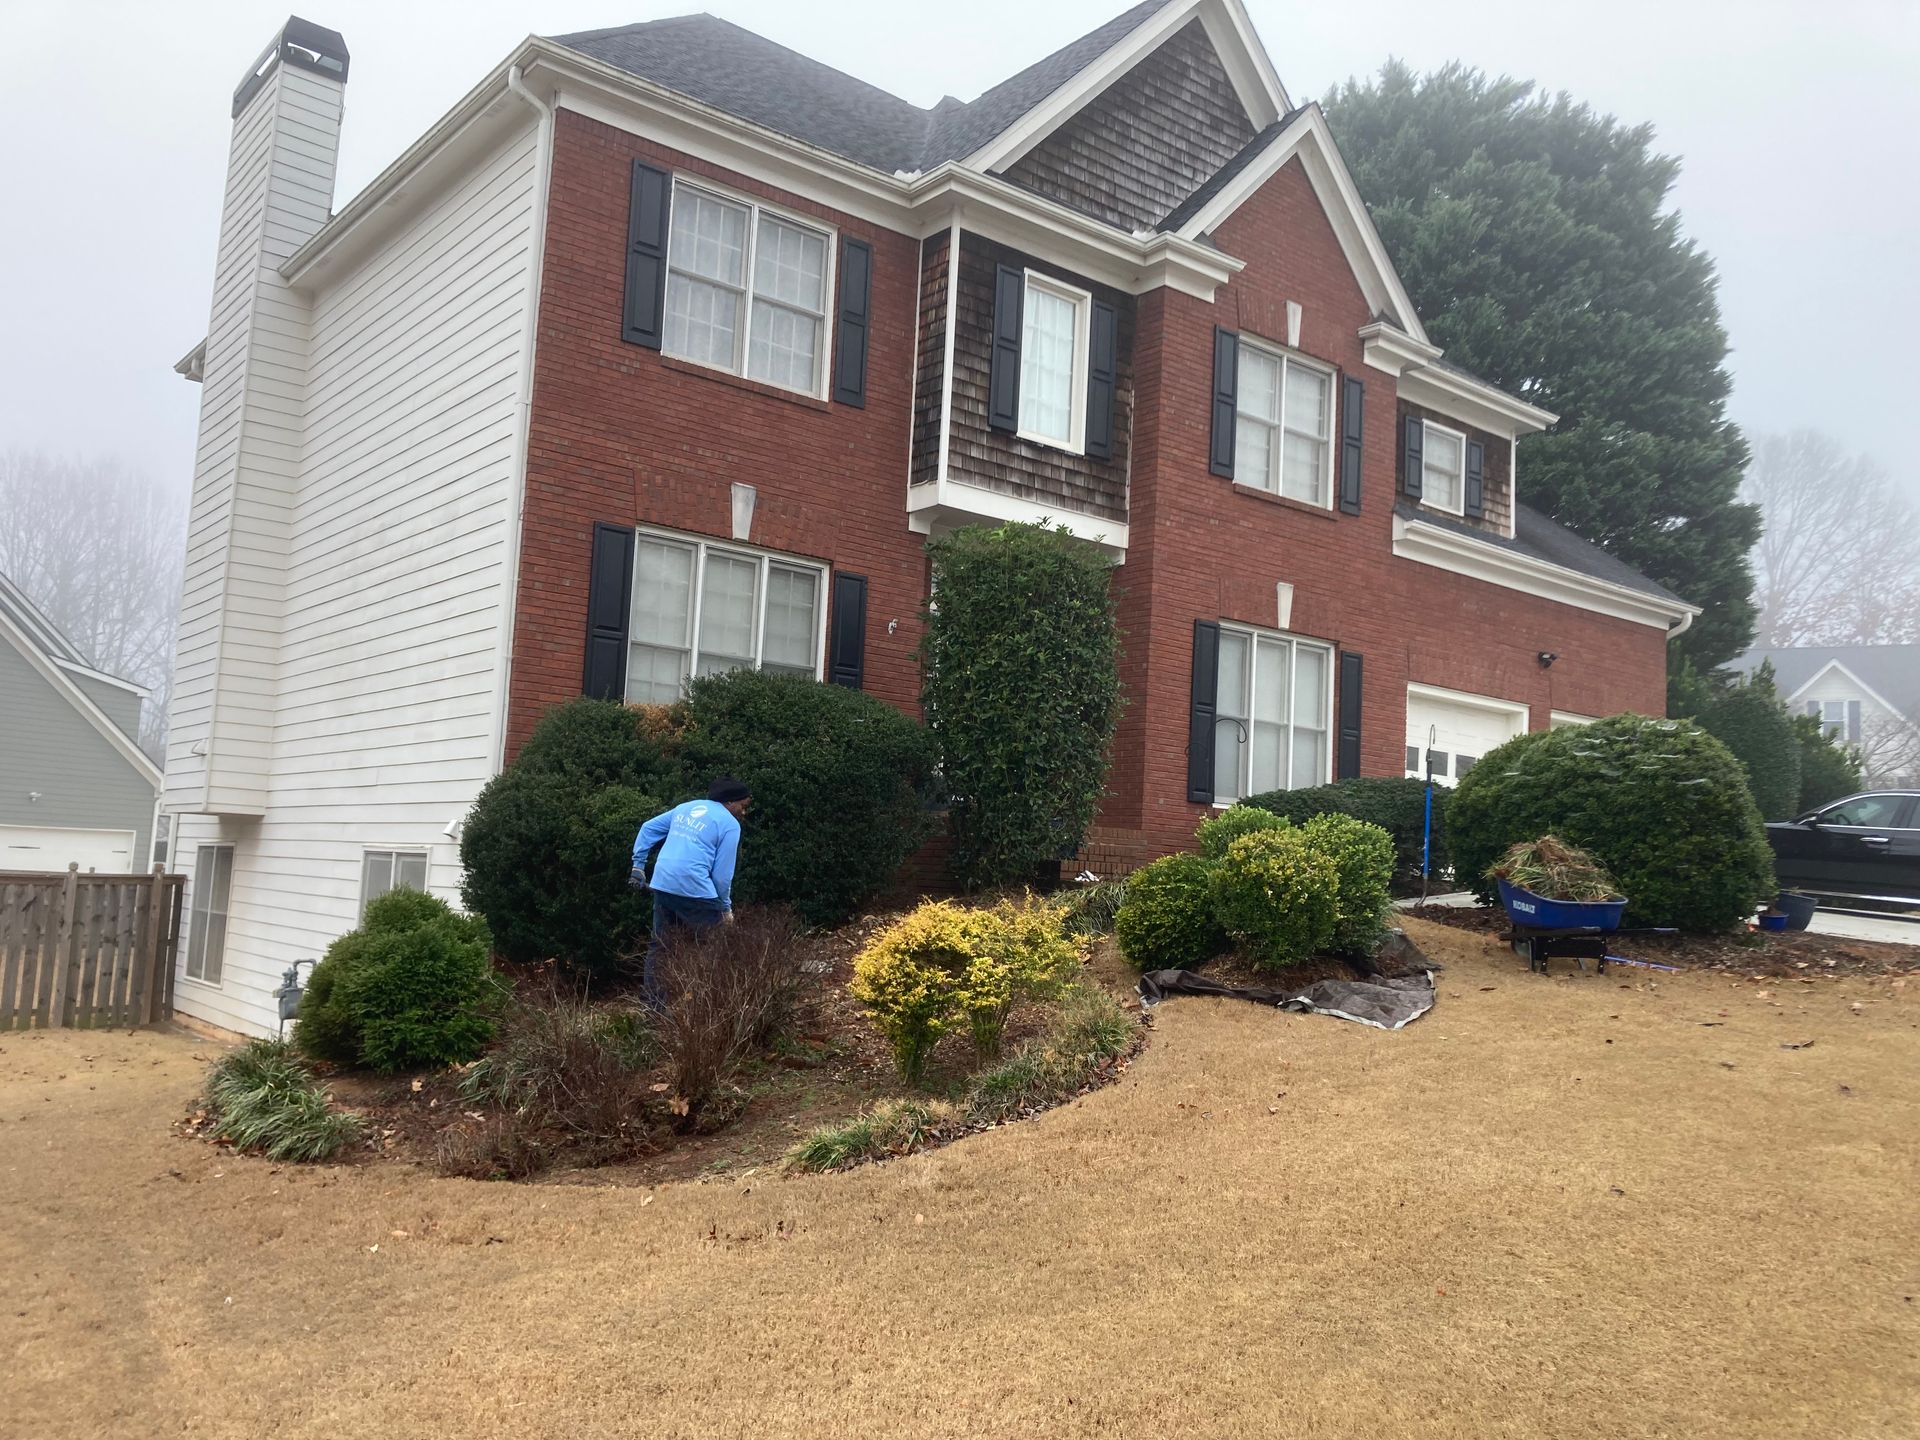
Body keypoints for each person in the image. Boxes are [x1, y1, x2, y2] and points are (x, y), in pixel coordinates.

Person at [631, 779, 751, 1010]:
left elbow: (648, 827)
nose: (743, 812)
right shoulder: (729, 824)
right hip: (696, 889)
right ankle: (712, 1009)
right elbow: (722, 877)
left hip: (663, 883)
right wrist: (725, 909)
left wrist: (638, 864)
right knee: (716, 947)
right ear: (728, 802)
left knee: (661, 946)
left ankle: (654, 1008)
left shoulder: (686, 807)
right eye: (742, 805)